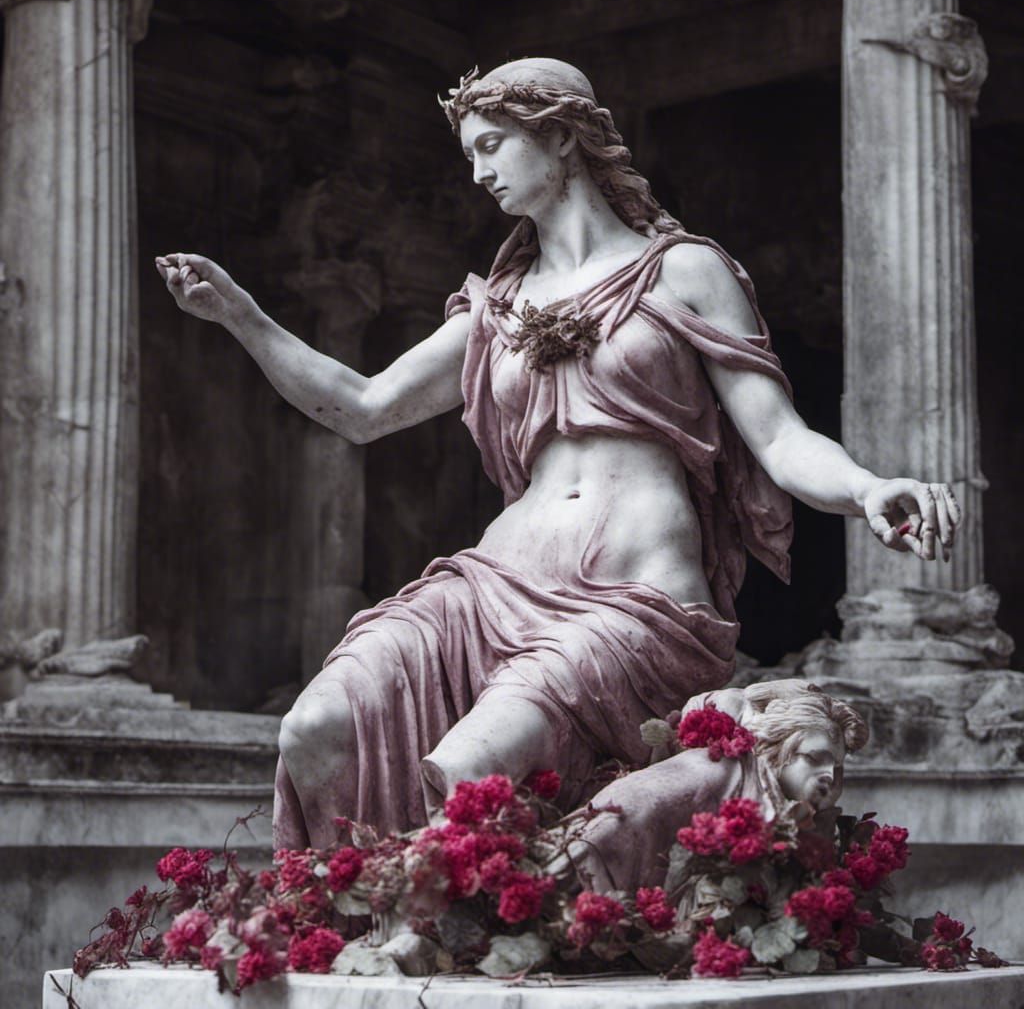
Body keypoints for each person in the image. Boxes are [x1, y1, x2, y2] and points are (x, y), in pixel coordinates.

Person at [155, 58, 960, 850]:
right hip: (492, 585)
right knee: (315, 728)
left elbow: (780, 438)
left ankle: (425, 949)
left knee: (470, 769)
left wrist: (866, 489)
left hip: (626, 599)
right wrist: (241, 315)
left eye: (492, 145)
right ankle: (337, 930)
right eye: (470, 153)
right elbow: (363, 408)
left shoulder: (683, 271)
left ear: (563, 136)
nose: (478, 173)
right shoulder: (496, 305)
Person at [562, 680, 869, 896]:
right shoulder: (717, 770)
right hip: (585, 884)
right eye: (815, 758)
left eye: (837, 766)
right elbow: (630, 804)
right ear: (777, 748)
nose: (828, 774)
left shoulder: (782, 807)